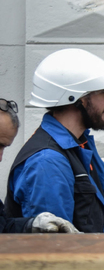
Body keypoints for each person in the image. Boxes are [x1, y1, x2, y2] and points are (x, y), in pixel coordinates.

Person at [5, 51, 104, 233]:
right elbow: (55, 249)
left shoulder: (80, 146)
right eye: (102, 91)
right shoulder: (47, 162)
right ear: (78, 99)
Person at [0, 98, 79, 234]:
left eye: (3, 147)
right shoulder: (44, 161)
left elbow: (2, 227)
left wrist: (32, 224)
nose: (0, 157)